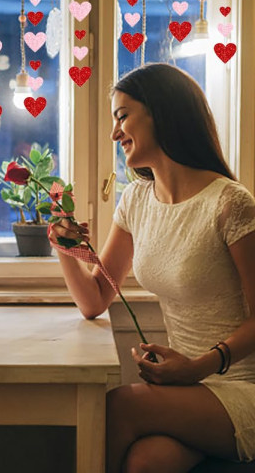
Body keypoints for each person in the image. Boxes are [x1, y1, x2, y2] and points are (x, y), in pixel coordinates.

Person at [49, 63, 255, 473]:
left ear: (162, 112)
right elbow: (95, 300)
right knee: (145, 463)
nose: (114, 133)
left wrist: (197, 367)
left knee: (117, 405)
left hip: (238, 386)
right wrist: (62, 244)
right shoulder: (137, 201)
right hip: (187, 389)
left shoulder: (231, 203)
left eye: (122, 116)